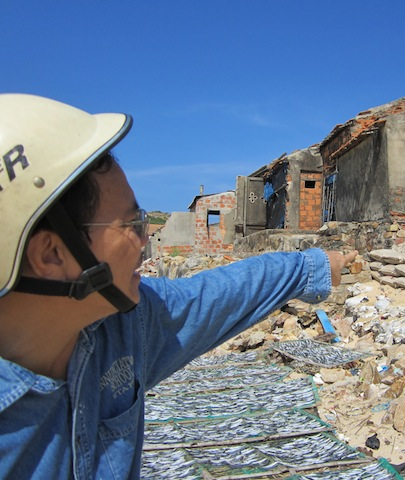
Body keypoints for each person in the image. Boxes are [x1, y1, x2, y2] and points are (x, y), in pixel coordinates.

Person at [0, 94, 358, 479]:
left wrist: (312, 267)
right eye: (131, 225)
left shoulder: (125, 325)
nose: (143, 242)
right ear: (51, 254)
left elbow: (219, 294)